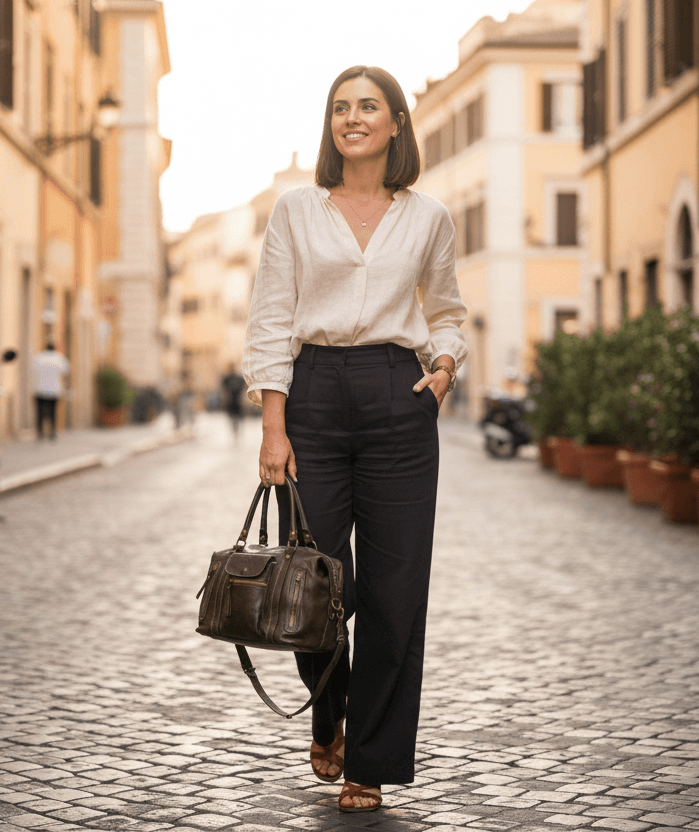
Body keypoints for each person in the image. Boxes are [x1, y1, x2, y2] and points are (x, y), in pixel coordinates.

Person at [242, 65, 467, 813]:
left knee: (396, 593)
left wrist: (443, 369)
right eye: (341, 107)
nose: (353, 118)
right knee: (313, 585)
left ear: (396, 122)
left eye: (369, 106)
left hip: (399, 400)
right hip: (313, 399)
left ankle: (369, 761)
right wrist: (274, 427)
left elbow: (447, 311)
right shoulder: (296, 210)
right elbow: (271, 316)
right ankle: (329, 709)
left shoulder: (429, 217)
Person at [32, 342, 70, 439]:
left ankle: (40, 432)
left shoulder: (38, 357)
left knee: (40, 412)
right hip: (53, 389)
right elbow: (66, 370)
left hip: (39, 389)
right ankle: (52, 431)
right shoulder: (58, 358)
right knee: (52, 412)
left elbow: (33, 370)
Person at [221, 365, 246, 443]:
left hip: (235, 401)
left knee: (236, 419)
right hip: (233, 401)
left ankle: (236, 433)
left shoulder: (229, 379)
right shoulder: (228, 378)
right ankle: (235, 433)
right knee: (234, 419)